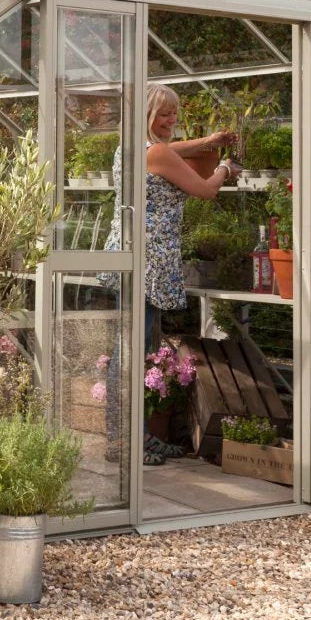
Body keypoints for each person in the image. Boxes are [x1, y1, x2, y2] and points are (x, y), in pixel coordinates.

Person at [103, 83, 242, 466]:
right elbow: (204, 190)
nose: (172, 120)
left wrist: (208, 140)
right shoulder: (157, 153)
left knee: (137, 348)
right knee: (132, 350)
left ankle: (138, 435)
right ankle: (123, 440)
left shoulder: (131, 148)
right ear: (147, 114)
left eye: (174, 113)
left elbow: (173, 150)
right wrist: (225, 169)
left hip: (131, 256)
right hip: (147, 261)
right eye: (164, 113)